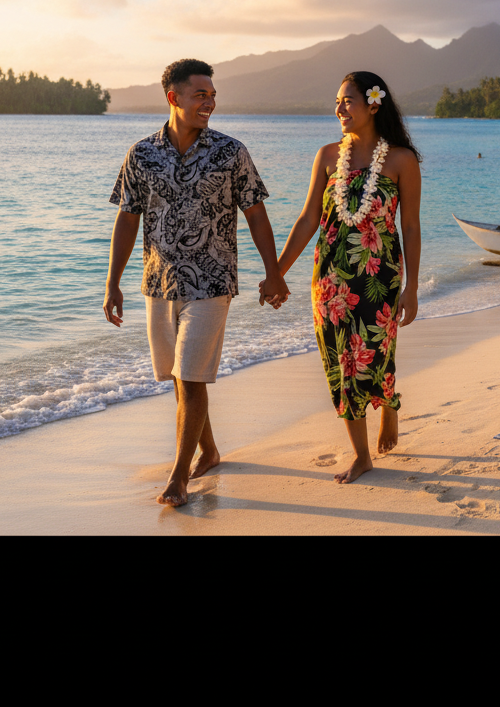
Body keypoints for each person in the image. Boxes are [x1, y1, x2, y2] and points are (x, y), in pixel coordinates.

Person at [103, 58, 289, 508]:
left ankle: (179, 476)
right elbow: (127, 220)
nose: (209, 102)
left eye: (212, 95)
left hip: (212, 281)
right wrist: (113, 283)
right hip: (158, 282)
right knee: (178, 379)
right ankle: (208, 450)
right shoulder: (141, 153)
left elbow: (256, 215)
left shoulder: (230, 152)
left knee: (190, 377)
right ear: (174, 98)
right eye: (200, 94)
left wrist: (273, 272)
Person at [266, 71, 421, 484]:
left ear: (373, 104)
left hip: (379, 275)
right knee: (343, 361)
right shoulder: (328, 155)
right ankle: (361, 454)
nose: (339, 109)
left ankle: (388, 403)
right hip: (331, 278)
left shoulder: (402, 160)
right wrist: (276, 273)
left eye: (347, 101)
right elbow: (307, 220)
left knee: (376, 351)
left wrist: (413, 288)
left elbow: (412, 228)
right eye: (337, 101)